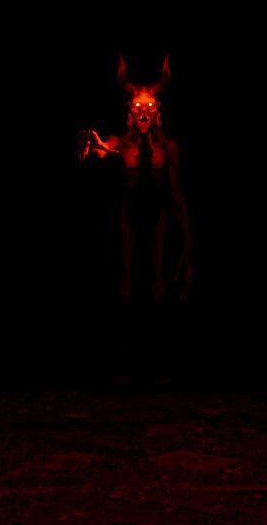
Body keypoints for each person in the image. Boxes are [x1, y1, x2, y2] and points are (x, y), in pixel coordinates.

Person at [78, 55, 191, 384]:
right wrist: (91, 148)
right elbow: (98, 151)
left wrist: (188, 244)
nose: (143, 113)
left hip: (158, 218)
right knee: (126, 284)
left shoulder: (169, 148)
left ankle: (160, 363)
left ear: (158, 113)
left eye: (149, 107)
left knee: (158, 285)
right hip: (128, 217)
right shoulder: (119, 145)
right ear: (130, 113)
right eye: (138, 107)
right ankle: (124, 364)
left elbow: (177, 197)